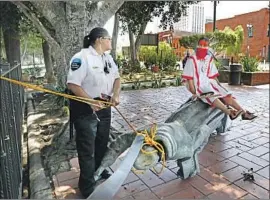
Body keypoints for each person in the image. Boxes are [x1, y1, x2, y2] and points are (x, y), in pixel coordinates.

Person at [66, 27, 121, 198]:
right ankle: (87, 185)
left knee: (101, 143)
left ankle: (99, 170)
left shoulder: (108, 58)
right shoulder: (81, 58)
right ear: (99, 40)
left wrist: (116, 95)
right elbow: (72, 84)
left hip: (104, 107)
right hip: (85, 109)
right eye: (108, 39)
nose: (110, 42)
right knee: (87, 148)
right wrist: (90, 100)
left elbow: (117, 78)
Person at [182, 37, 256, 120]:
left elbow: (213, 76)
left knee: (225, 94)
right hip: (199, 86)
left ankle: (243, 112)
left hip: (209, 82)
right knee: (211, 95)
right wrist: (194, 92)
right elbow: (190, 79)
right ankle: (230, 113)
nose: (203, 47)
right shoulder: (191, 60)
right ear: (198, 45)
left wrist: (220, 87)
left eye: (205, 45)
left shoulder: (208, 59)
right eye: (201, 45)